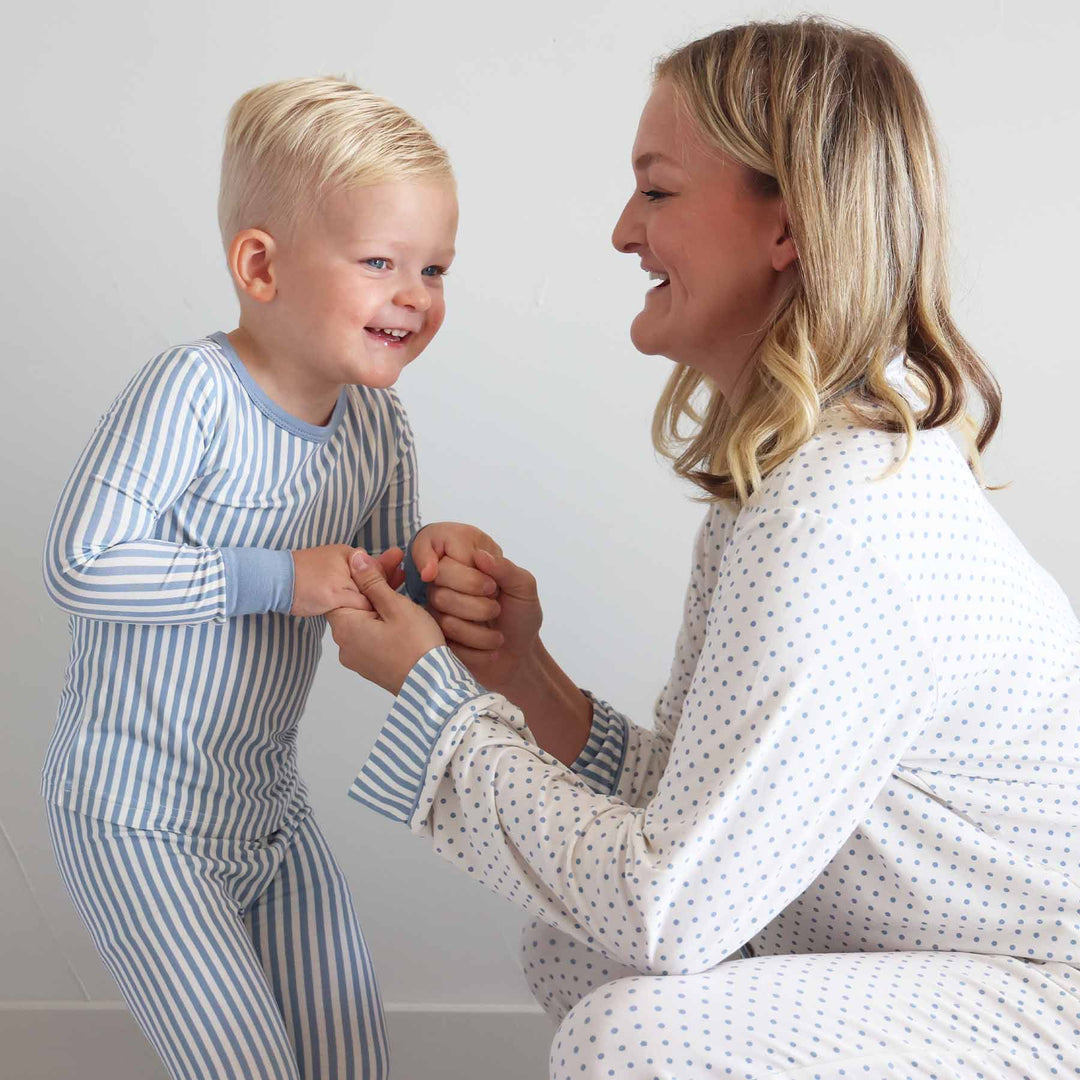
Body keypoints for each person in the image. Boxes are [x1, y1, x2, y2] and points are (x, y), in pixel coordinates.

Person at [328, 19, 1080, 1080]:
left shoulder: (839, 517)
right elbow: (693, 820)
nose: (623, 231)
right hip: (957, 957)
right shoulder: (790, 474)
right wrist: (518, 675)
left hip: (1049, 986)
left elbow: (666, 908)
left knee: (628, 1031)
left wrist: (431, 701)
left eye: (660, 190)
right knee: (571, 946)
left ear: (788, 226)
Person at [41, 76, 500, 1080]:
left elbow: (374, 600)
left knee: (350, 1058)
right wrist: (275, 577)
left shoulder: (379, 427)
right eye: (379, 261)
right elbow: (79, 564)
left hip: (267, 811)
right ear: (261, 265)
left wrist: (432, 572)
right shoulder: (191, 394)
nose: (414, 295)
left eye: (433, 268)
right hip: (136, 815)